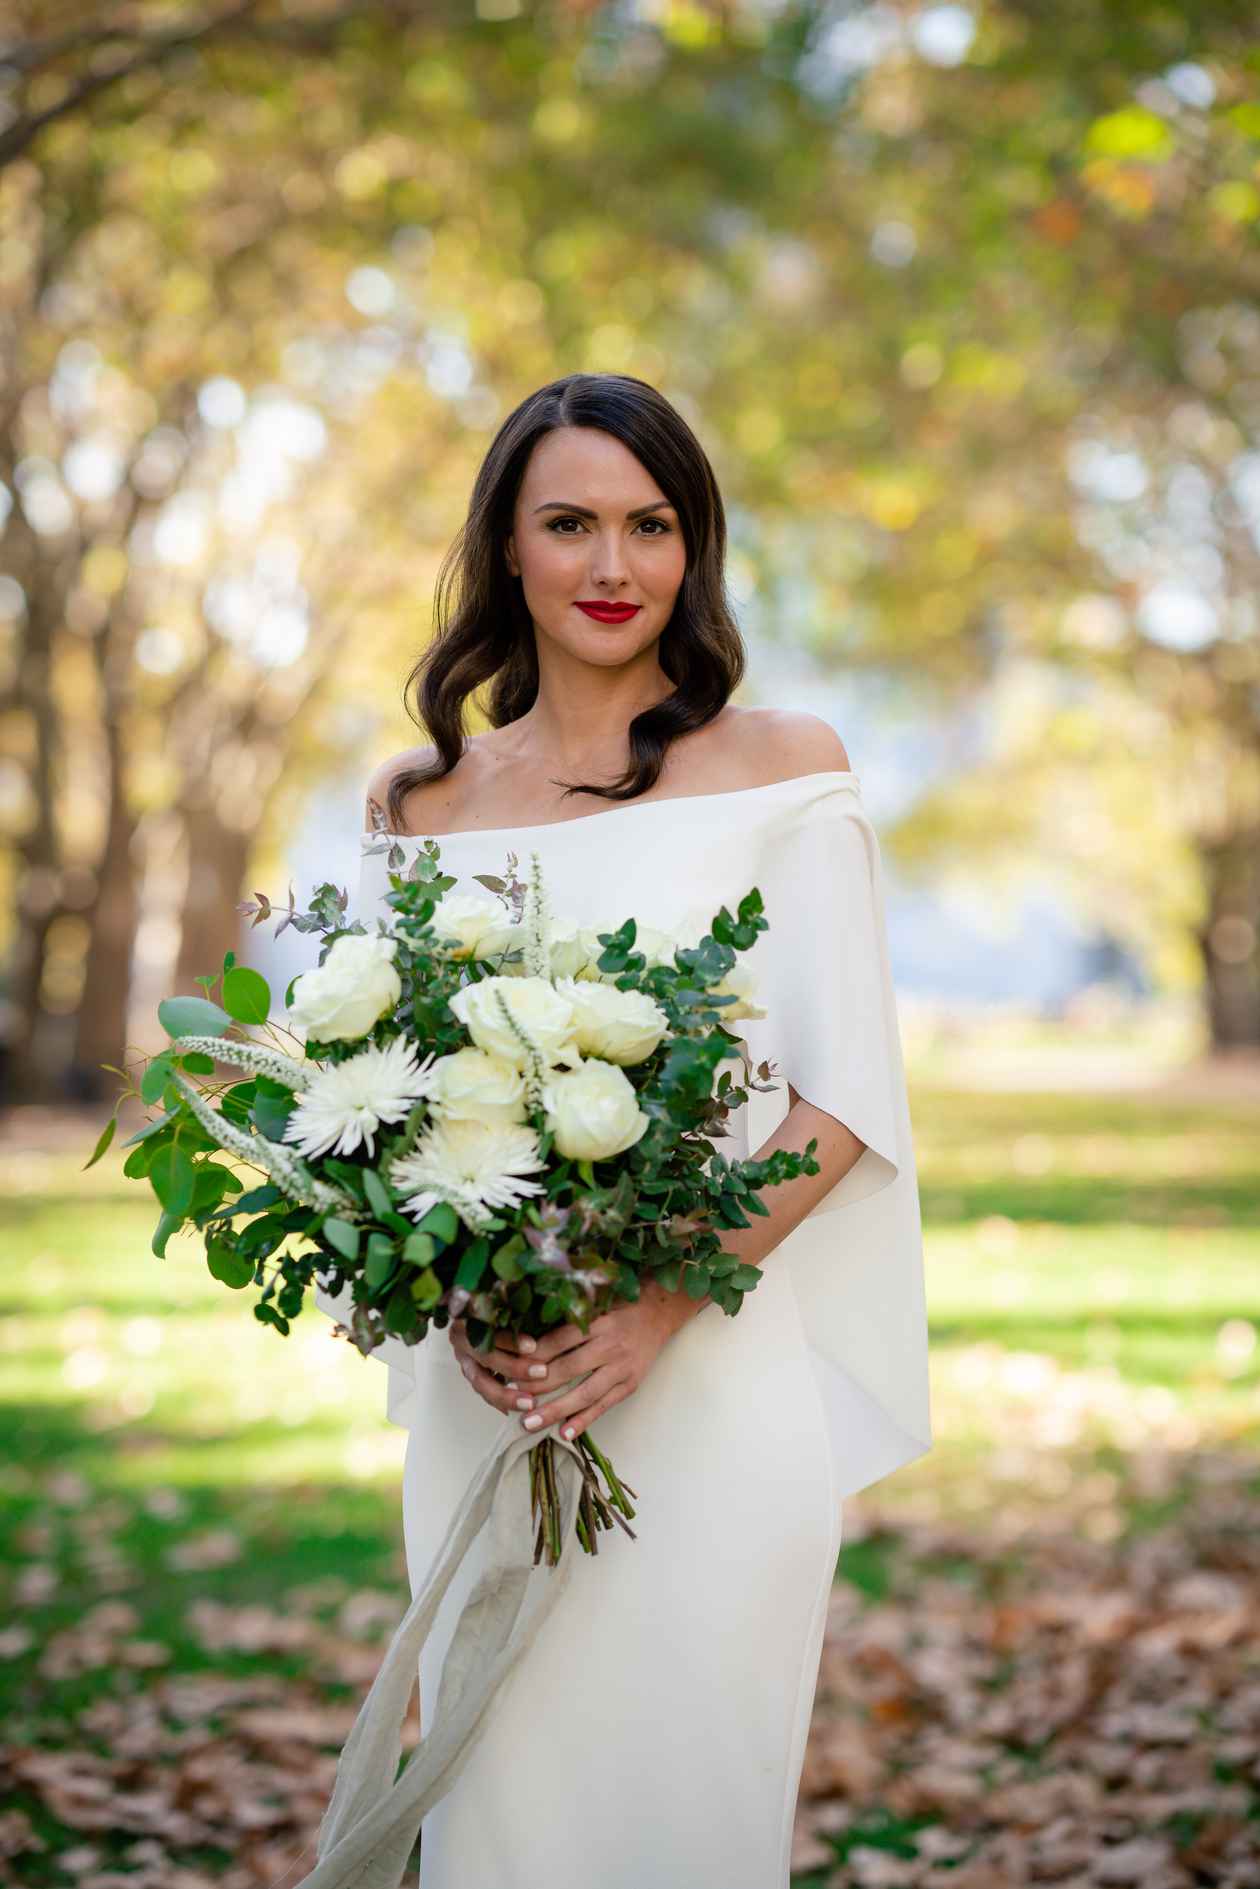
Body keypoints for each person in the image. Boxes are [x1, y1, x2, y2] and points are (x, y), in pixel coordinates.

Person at [321, 371, 931, 1887]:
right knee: (498, 1818)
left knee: (689, 1815)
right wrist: (458, 1298)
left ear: (694, 547)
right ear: (506, 550)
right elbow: (374, 1104)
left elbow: (843, 1092)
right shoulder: (420, 803)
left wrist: (659, 1304)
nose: (613, 568)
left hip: (716, 1388)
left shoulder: (786, 764)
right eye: (570, 524)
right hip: (499, 1399)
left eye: (650, 526)